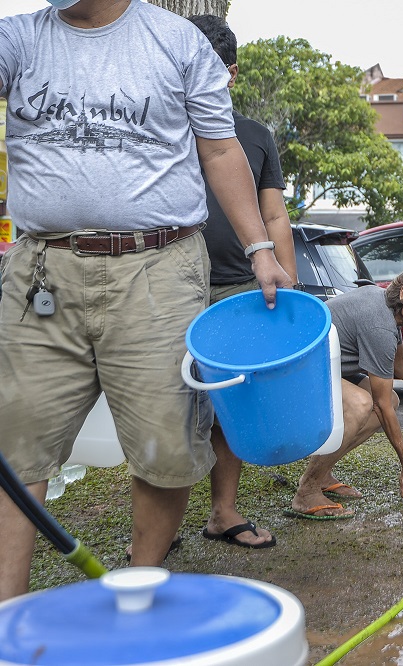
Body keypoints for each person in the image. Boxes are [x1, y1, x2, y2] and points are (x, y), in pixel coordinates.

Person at [0, 0, 291, 601]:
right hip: (42, 271)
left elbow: (219, 149)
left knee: (167, 447)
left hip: (159, 268)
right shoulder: (19, 39)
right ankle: (8, 617)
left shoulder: (178, 42)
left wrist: (261, 249)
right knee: (14, 450)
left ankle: (138, 584)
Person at [189, 14, 296, 549]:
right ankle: (157, 525)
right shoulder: (157, 129)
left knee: (231, 404)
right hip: (166, 282)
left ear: (229, 74)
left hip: (236, 286)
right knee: (166, 405)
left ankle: (223, 511)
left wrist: (287, 275)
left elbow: (274, 216)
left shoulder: (253, 136)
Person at [288, 262, 403, 518]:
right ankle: (307, 491)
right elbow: (378, 404)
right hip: (297, 372)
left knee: (390, 400)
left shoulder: (386, 306)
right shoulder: (379, 324)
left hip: (322, 368)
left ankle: (322, 474)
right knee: (362, 404)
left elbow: (399, 364)